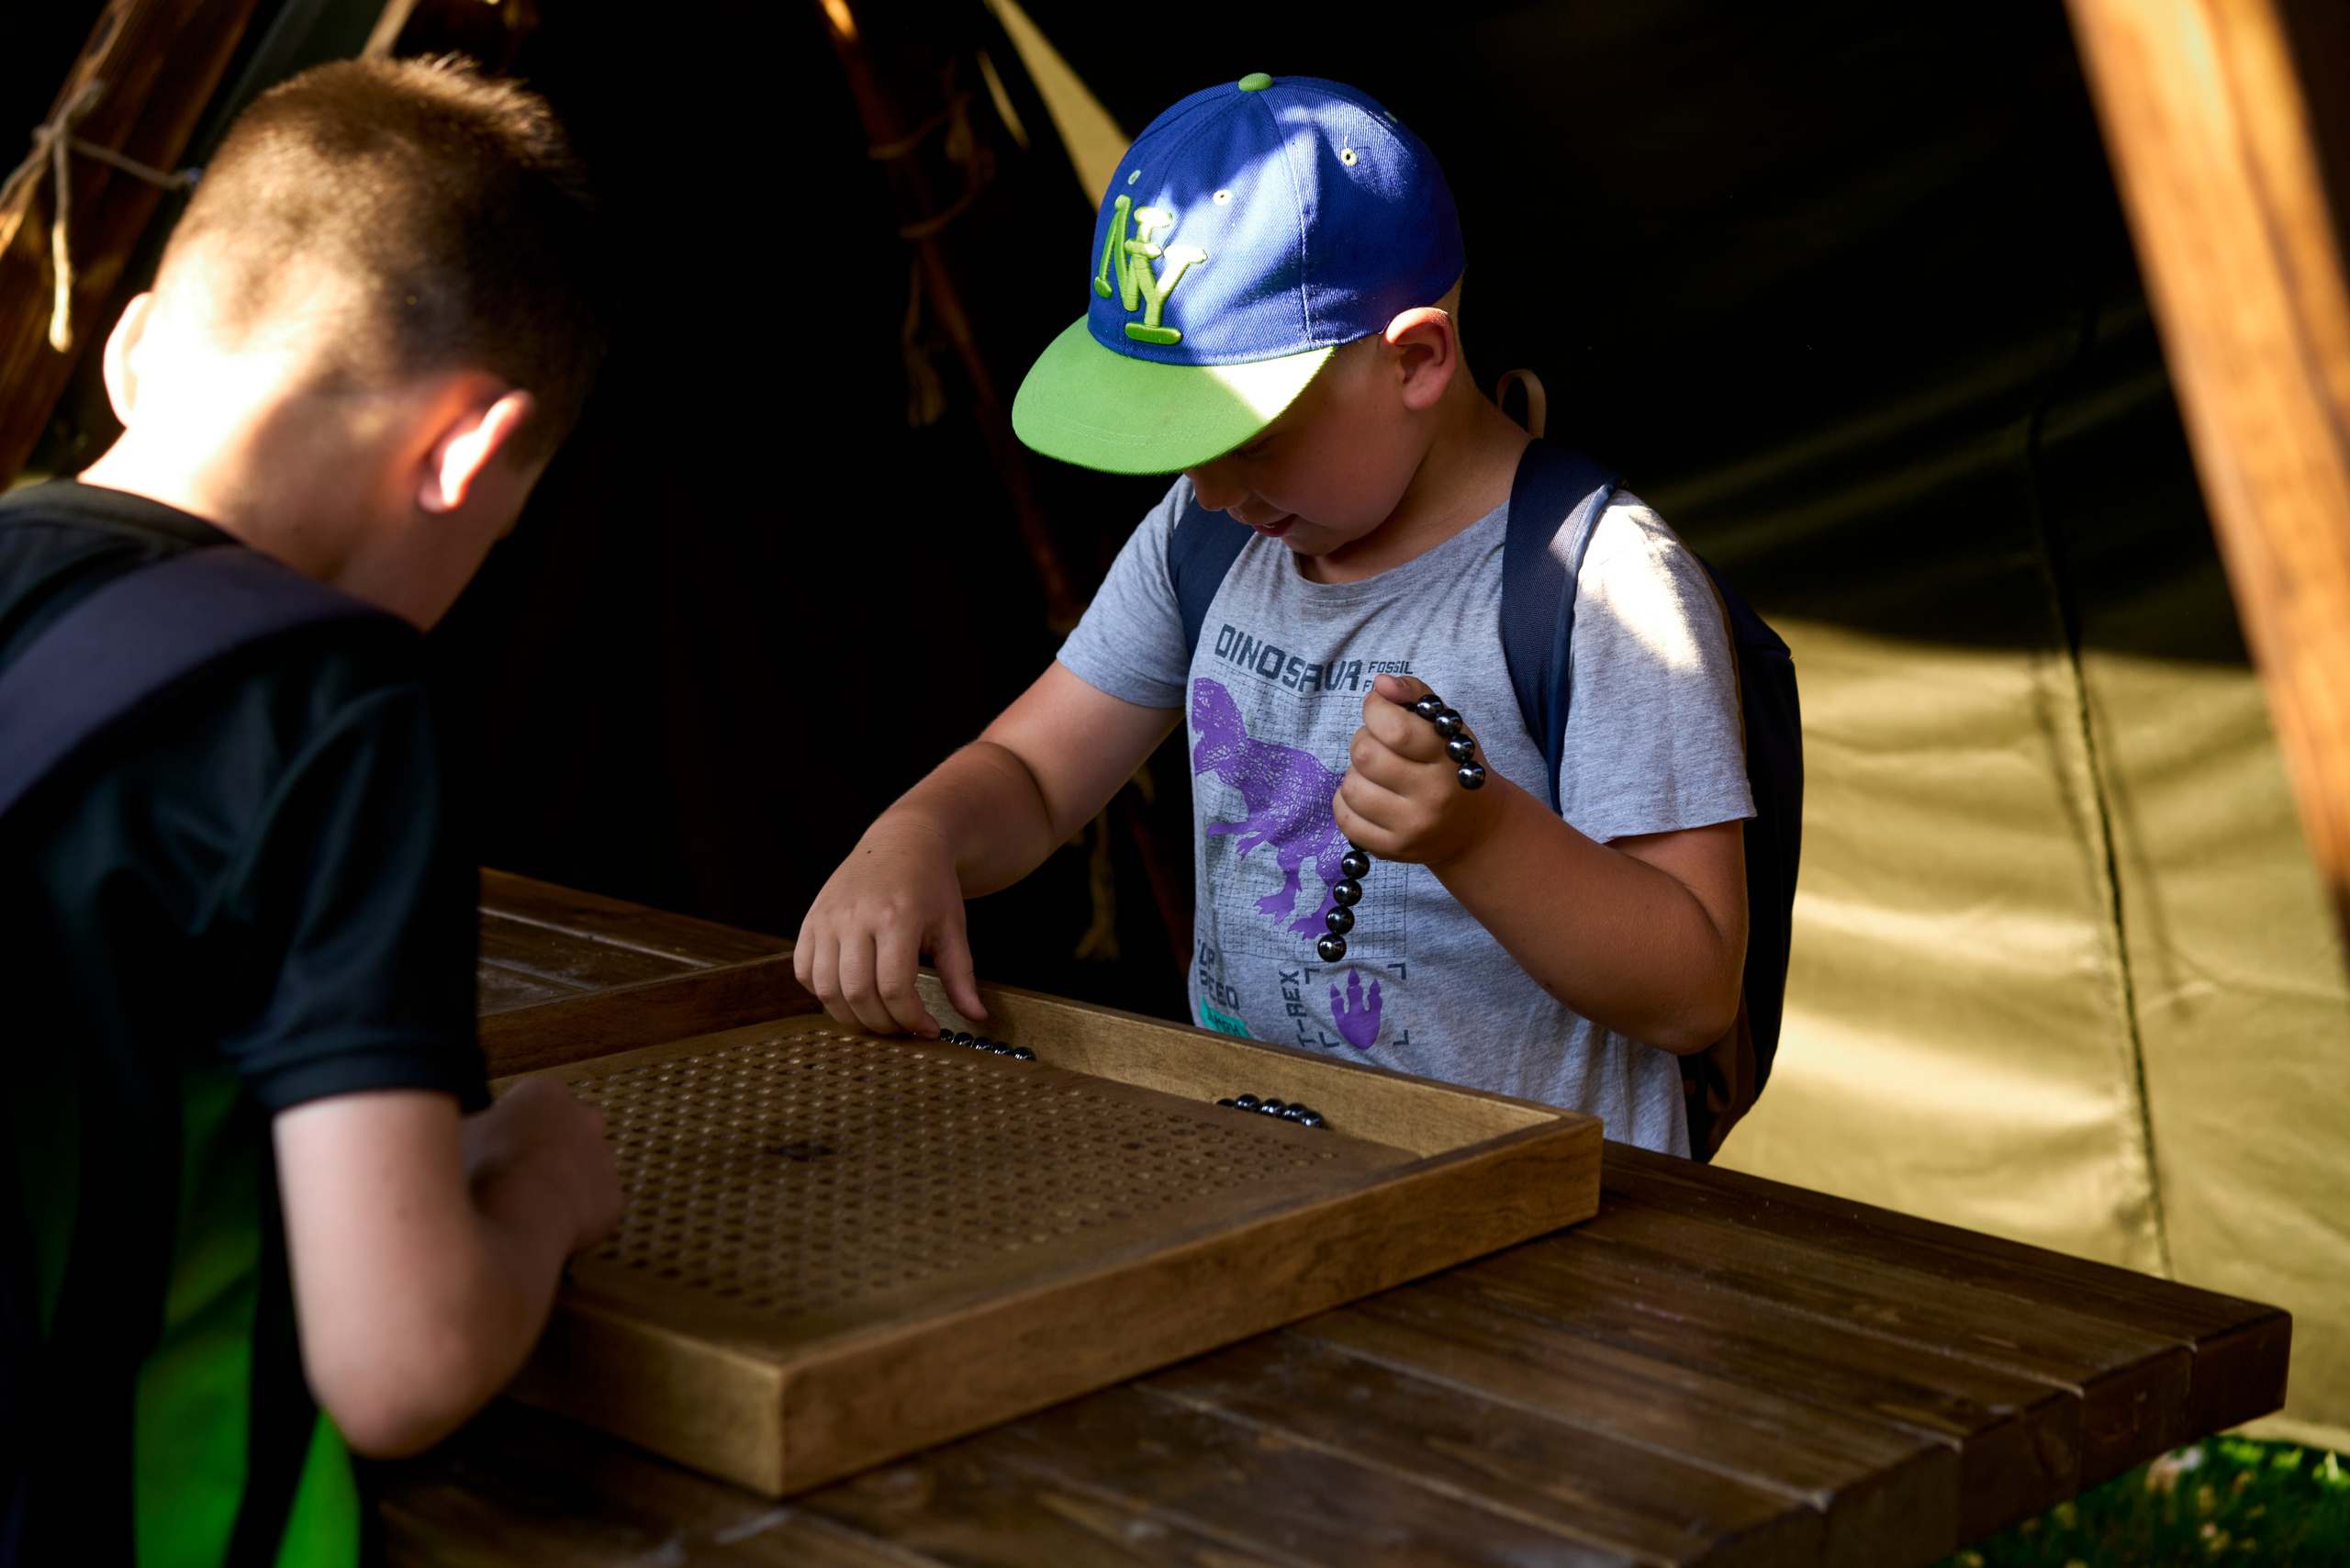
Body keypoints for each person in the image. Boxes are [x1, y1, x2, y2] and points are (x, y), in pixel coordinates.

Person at [795, 73, 1752, 1157]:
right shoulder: (1213, 533)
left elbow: (1693, 985)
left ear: (1416, 360)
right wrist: (913, 836)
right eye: (1174, 440)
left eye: (1247, 437)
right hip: (1262, 1175)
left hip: (1540, 1239)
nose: (1208, 487)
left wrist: (1479, 833)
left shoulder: (1603, 587)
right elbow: (1033, 775)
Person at [0, 58, 621, 1565]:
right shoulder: (327, 700)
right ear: (466, 449)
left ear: (134, 348)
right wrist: (535, 1188)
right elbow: (399, 1360)